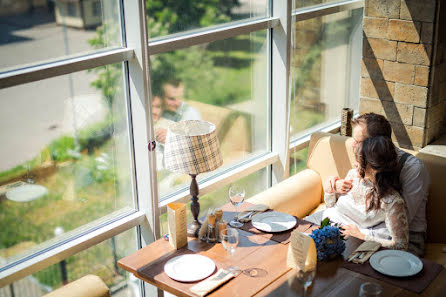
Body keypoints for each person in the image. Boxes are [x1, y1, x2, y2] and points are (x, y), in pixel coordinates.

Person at [335, 113, 430, 256]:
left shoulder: (413, 169)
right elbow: (362, 200)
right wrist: (336, 187)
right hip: (365, 227)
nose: (352, 145)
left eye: (357, 141)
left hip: (405, 238)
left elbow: (400, 220)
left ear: (376, 144)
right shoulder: (368, 159)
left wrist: (360, 234)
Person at [308, 136, 409, 249]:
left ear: (374, 168)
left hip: (354, 245)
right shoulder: (352, 175)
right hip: (326, 230)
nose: (354, 164)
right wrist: (331, 190)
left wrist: (361, 236)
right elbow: (331, 207)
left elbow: (401, 245)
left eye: (359, 161)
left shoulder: (392, 201)